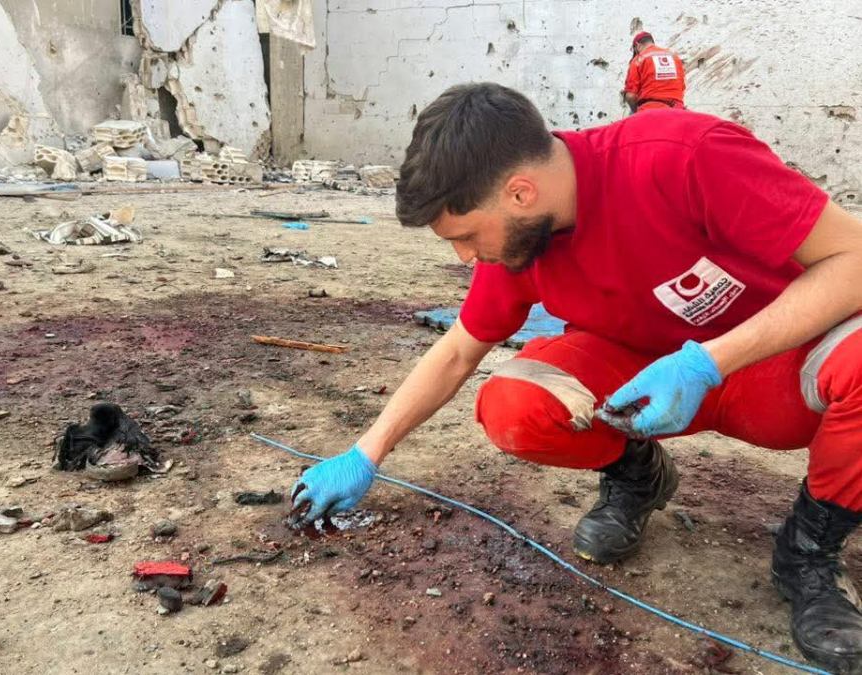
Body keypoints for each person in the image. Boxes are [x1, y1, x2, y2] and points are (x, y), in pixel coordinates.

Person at [290, 82, 862, 673]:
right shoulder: (523, 238)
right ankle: (638, 477)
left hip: (774, 367)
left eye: (466, 236)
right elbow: (459, 351)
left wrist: (708, 361)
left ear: (520, 191)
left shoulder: (684, 156)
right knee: (514, 404)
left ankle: (808, 553)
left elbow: (855, 259)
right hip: (641, 387)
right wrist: (365, 452)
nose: (465, 257)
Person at [623, 31, 686, 113]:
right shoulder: (674, 57)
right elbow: (682, 87)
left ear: (637, 45)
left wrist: (635, 111)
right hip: (677, 109)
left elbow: (631, 96)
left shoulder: (639, 59)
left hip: (651, 110)